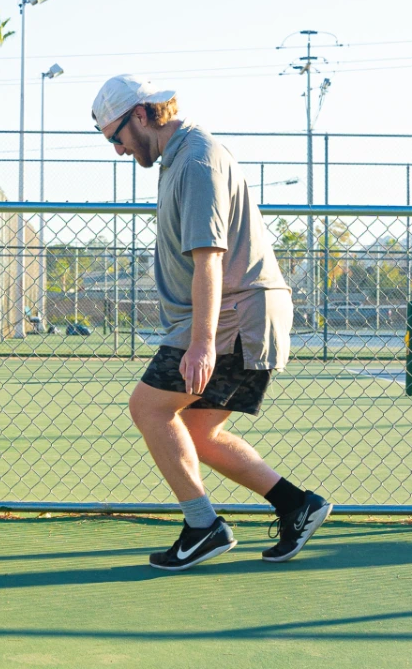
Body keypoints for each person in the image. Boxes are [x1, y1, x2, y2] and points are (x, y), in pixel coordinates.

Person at [92, 75, 330, 571]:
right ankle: (295, 505)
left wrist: (200, 344)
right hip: (233, 315)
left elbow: (209, 258)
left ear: (141, 115)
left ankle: (203, 526)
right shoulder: (178, 157)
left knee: (149, 409)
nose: (116, 150)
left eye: (115, 137)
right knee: (198, 431)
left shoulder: (197, 159)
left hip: (232, 316)